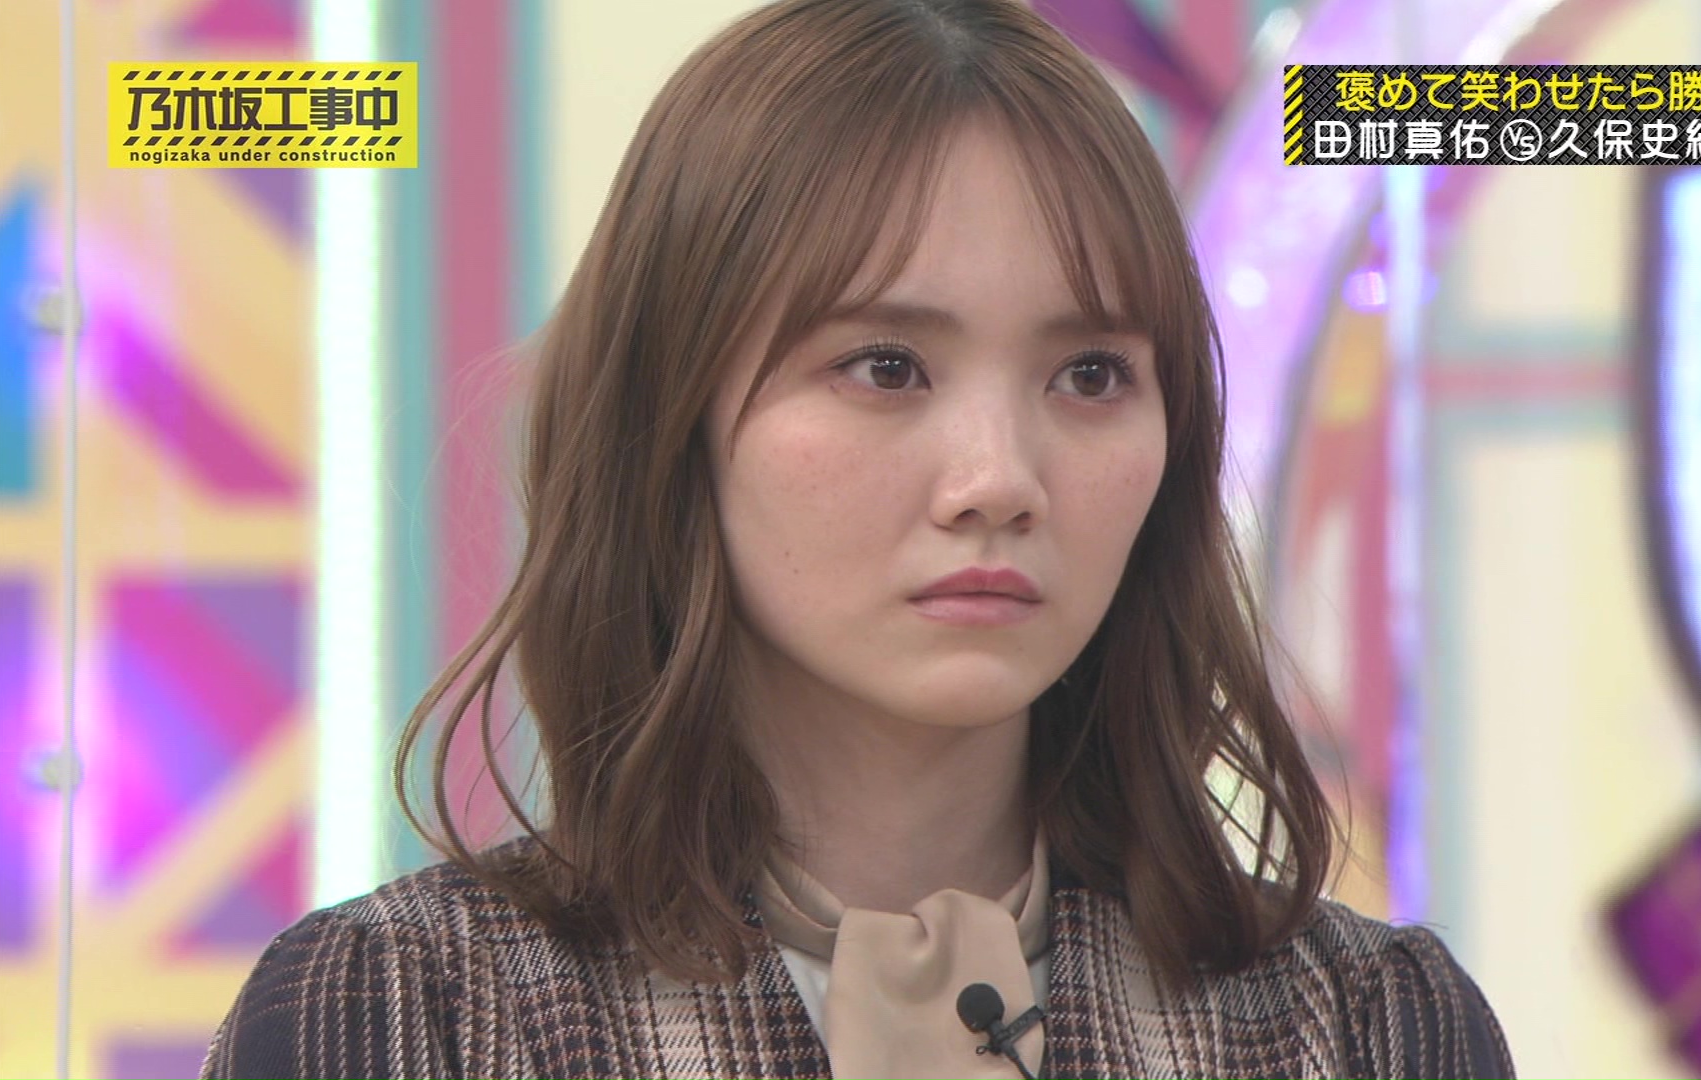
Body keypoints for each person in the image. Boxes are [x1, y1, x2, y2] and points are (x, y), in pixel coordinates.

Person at [200, 0, 1515, 1077]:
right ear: (673, 416)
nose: (998, 480)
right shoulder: (411, 1018)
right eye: (886, 366)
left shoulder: (1365, 1031)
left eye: (1091, 376)